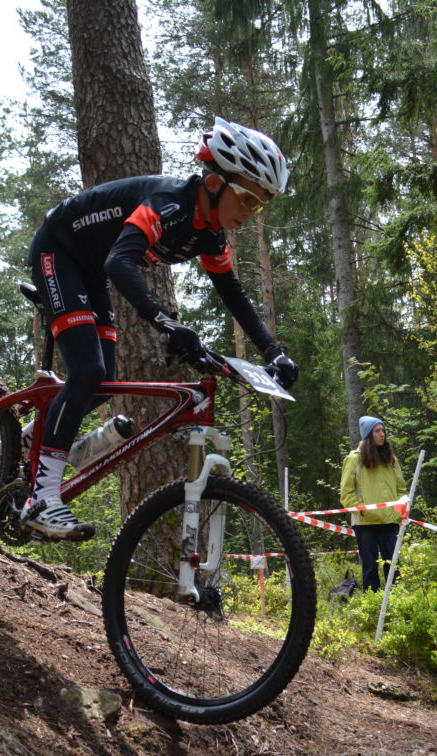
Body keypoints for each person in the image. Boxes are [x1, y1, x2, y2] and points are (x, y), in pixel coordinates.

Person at [21, 117, 301, 540]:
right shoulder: (169, 204)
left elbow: (232, 293)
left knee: (101, 384)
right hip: (58, 250)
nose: (250, 212)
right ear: (213, 184)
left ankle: (28, 438)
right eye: (247, 199)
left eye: (260, 205)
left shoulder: (210, 234)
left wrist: (272, 352)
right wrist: (167, 324)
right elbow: (120, 263)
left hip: (89, 269)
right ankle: (40, 498)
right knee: (87, 371)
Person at [339, 416, 408, 592]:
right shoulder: (354, 459)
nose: (382, 434)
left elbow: (401, 489)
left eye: (383, 430)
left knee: (393, 566)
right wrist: (363, 511)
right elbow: (346, 494)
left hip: (390, 521)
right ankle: (373, 605)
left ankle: (398, 601)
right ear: (368, 435)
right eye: (377, 431)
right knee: (370, 567)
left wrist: (399, 510)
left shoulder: (390, 458)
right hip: (365, 524)